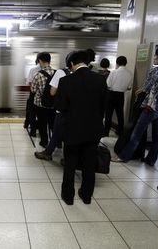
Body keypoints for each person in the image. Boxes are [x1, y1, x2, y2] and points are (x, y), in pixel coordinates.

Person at [54, 50, 107, 205]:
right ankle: (86, 195)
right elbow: (104, 106)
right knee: (89, 163)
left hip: (72, 129)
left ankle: (68, 196)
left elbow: (59, 106)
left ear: (71, 64)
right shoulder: (100, 80)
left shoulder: (66, 81)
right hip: (93, 130)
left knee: (70, 163)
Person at [113, 45, 158, 166]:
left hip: (150, 107)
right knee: (157, 137)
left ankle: (124, 156)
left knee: (137, 133)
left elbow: (146, 88)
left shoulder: (155, 70)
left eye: (156, 55)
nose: (155, 57)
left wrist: (141, 92)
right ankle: (151, 159)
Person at [35, 51, 73, 160]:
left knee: (53, 127)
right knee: (56, 128)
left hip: (55, 107)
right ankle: (60, 148)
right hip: (69, 109)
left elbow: (52, 92)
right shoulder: (59, 72)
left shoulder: (60, 73)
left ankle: (46, 148)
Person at [30, 52, 56, 148]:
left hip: (41, 105)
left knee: (42, 124)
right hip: (53, 105)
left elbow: (32, 90)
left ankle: (44, 142)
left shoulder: (38, 75)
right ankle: (56, 142)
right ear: (49, 61)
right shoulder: (57, 73)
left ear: (40, 61)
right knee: (53, 124)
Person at [104, 56, 133, 136]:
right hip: (121, 95)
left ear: (117, 63)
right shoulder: (130, 73)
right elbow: (129, 88)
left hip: (111, 94)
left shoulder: (114, 72)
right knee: (120, 114)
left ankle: (106, 132)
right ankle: (120, 131)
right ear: (125, 63)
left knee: (108, 114)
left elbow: (108, 85)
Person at [24, 59, 41, 136]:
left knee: (32, 112)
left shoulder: (33, 70)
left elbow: (28, 83)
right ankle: (42, 130)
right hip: (45, 97)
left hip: (34, 94)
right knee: (42, 114)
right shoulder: (53, 71)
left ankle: (33, 130)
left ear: (37, 61)